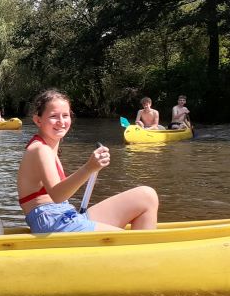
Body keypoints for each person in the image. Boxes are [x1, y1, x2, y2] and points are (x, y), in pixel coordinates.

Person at [18, 89, 159, 233]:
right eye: (54, 116)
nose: (61, 121)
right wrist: (89, 168)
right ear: (38, 120)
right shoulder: (40, 149)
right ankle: (138, 245)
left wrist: (92, 167)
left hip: (64, 215)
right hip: (52, 220)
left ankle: (141, 244)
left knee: (147, 196)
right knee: (127, 239)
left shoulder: (47, 147)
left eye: (65, 115)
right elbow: (57, 195)